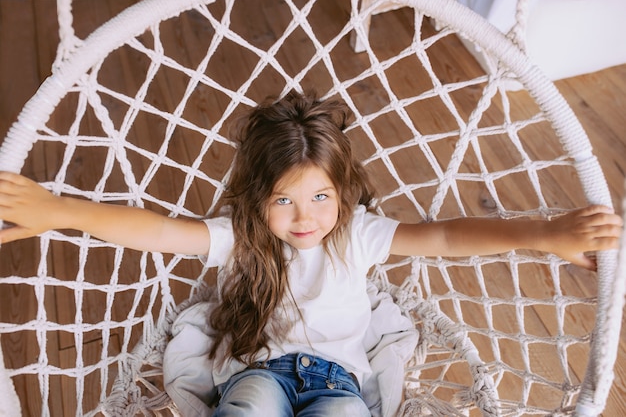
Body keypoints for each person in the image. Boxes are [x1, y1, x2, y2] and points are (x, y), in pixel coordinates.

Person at [0, 91, 622, 416]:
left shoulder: (356, 232)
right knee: (248, 411)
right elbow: (160, 231)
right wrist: (60, 212)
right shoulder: (243, 236)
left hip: (340, 384)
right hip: (258, 373)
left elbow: (447, 238)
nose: (305, 219)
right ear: (256, 199)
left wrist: (546, 231)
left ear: (343, 191)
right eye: (284, 201)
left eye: (322, 196)